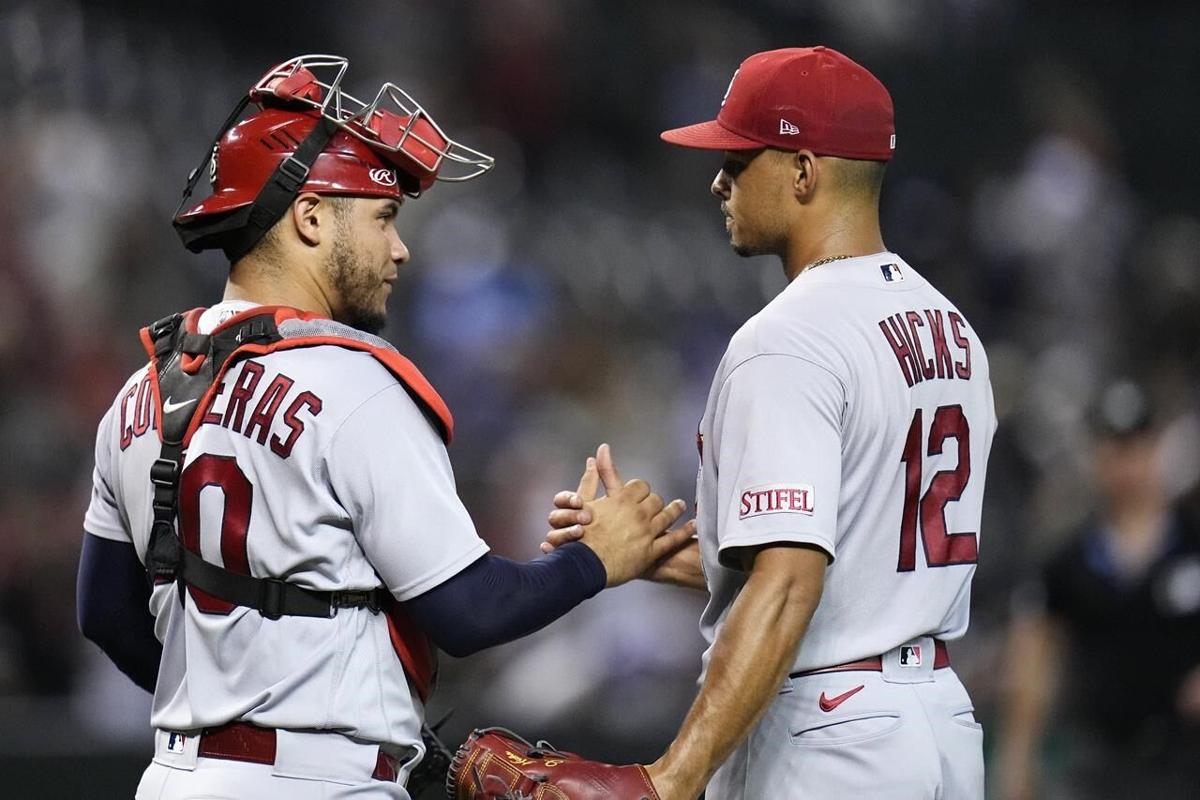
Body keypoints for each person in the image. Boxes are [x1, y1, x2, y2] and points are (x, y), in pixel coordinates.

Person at [75, 54, 690, 800]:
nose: (399, 249)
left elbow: (105, 612)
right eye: (383, 216)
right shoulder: (354, 383)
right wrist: (597, 558)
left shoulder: (138, 393)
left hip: (175, 777)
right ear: (309, 217)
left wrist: (218, 708)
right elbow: (467, 610)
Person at [546, 46, 996, 798]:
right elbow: (849, 562)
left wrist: (672, 777)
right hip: (939, 724)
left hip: (831, 732)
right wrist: (644, 552)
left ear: (804, 172)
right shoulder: (949, 327)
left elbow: (789, 587)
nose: (718, 178)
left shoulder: (788, 337)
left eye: (739, 156)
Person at [996, 380, 1200, 800]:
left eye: (1135, 446)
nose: (1125, 463)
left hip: (1184, 757)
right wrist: (1018, 756)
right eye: (1112, 448)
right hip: (1097, 757)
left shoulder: (1191, 541)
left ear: (1155, 446)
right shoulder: (1069, 560)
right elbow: (1035, 655)